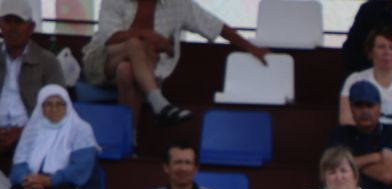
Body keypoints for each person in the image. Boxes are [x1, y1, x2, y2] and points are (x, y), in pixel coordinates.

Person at [82, 0, 266, 126]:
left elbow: (216, 26)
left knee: (126, 70)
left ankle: (130, 140)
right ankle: (160, 103)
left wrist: (251, 48)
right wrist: (148, 35)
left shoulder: (178, 4)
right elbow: (109, 39)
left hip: (143, 70)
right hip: (103, 60)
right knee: (132, 44)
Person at [329, 80, 392, 189]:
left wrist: (348, 164)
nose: (365, 111)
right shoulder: (340, 133)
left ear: (379, 107)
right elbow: (332, 167)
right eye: (359, 106)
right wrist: (376, 156)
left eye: (370, 105)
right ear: (351, 108)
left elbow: (387, 174)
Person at [0, 0, 61, 167]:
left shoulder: (48, 62)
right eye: (7, 21)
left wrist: (23, 132)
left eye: (18, 22)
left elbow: (58, 113)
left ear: (31, 27)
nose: (12, 28)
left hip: (33, 134)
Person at [339, 26, 392, 136]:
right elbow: (345, 119)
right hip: (358, 138)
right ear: (371, 52)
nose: (386, 52)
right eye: (381, 47)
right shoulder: (354, 79)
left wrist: (389, 140)